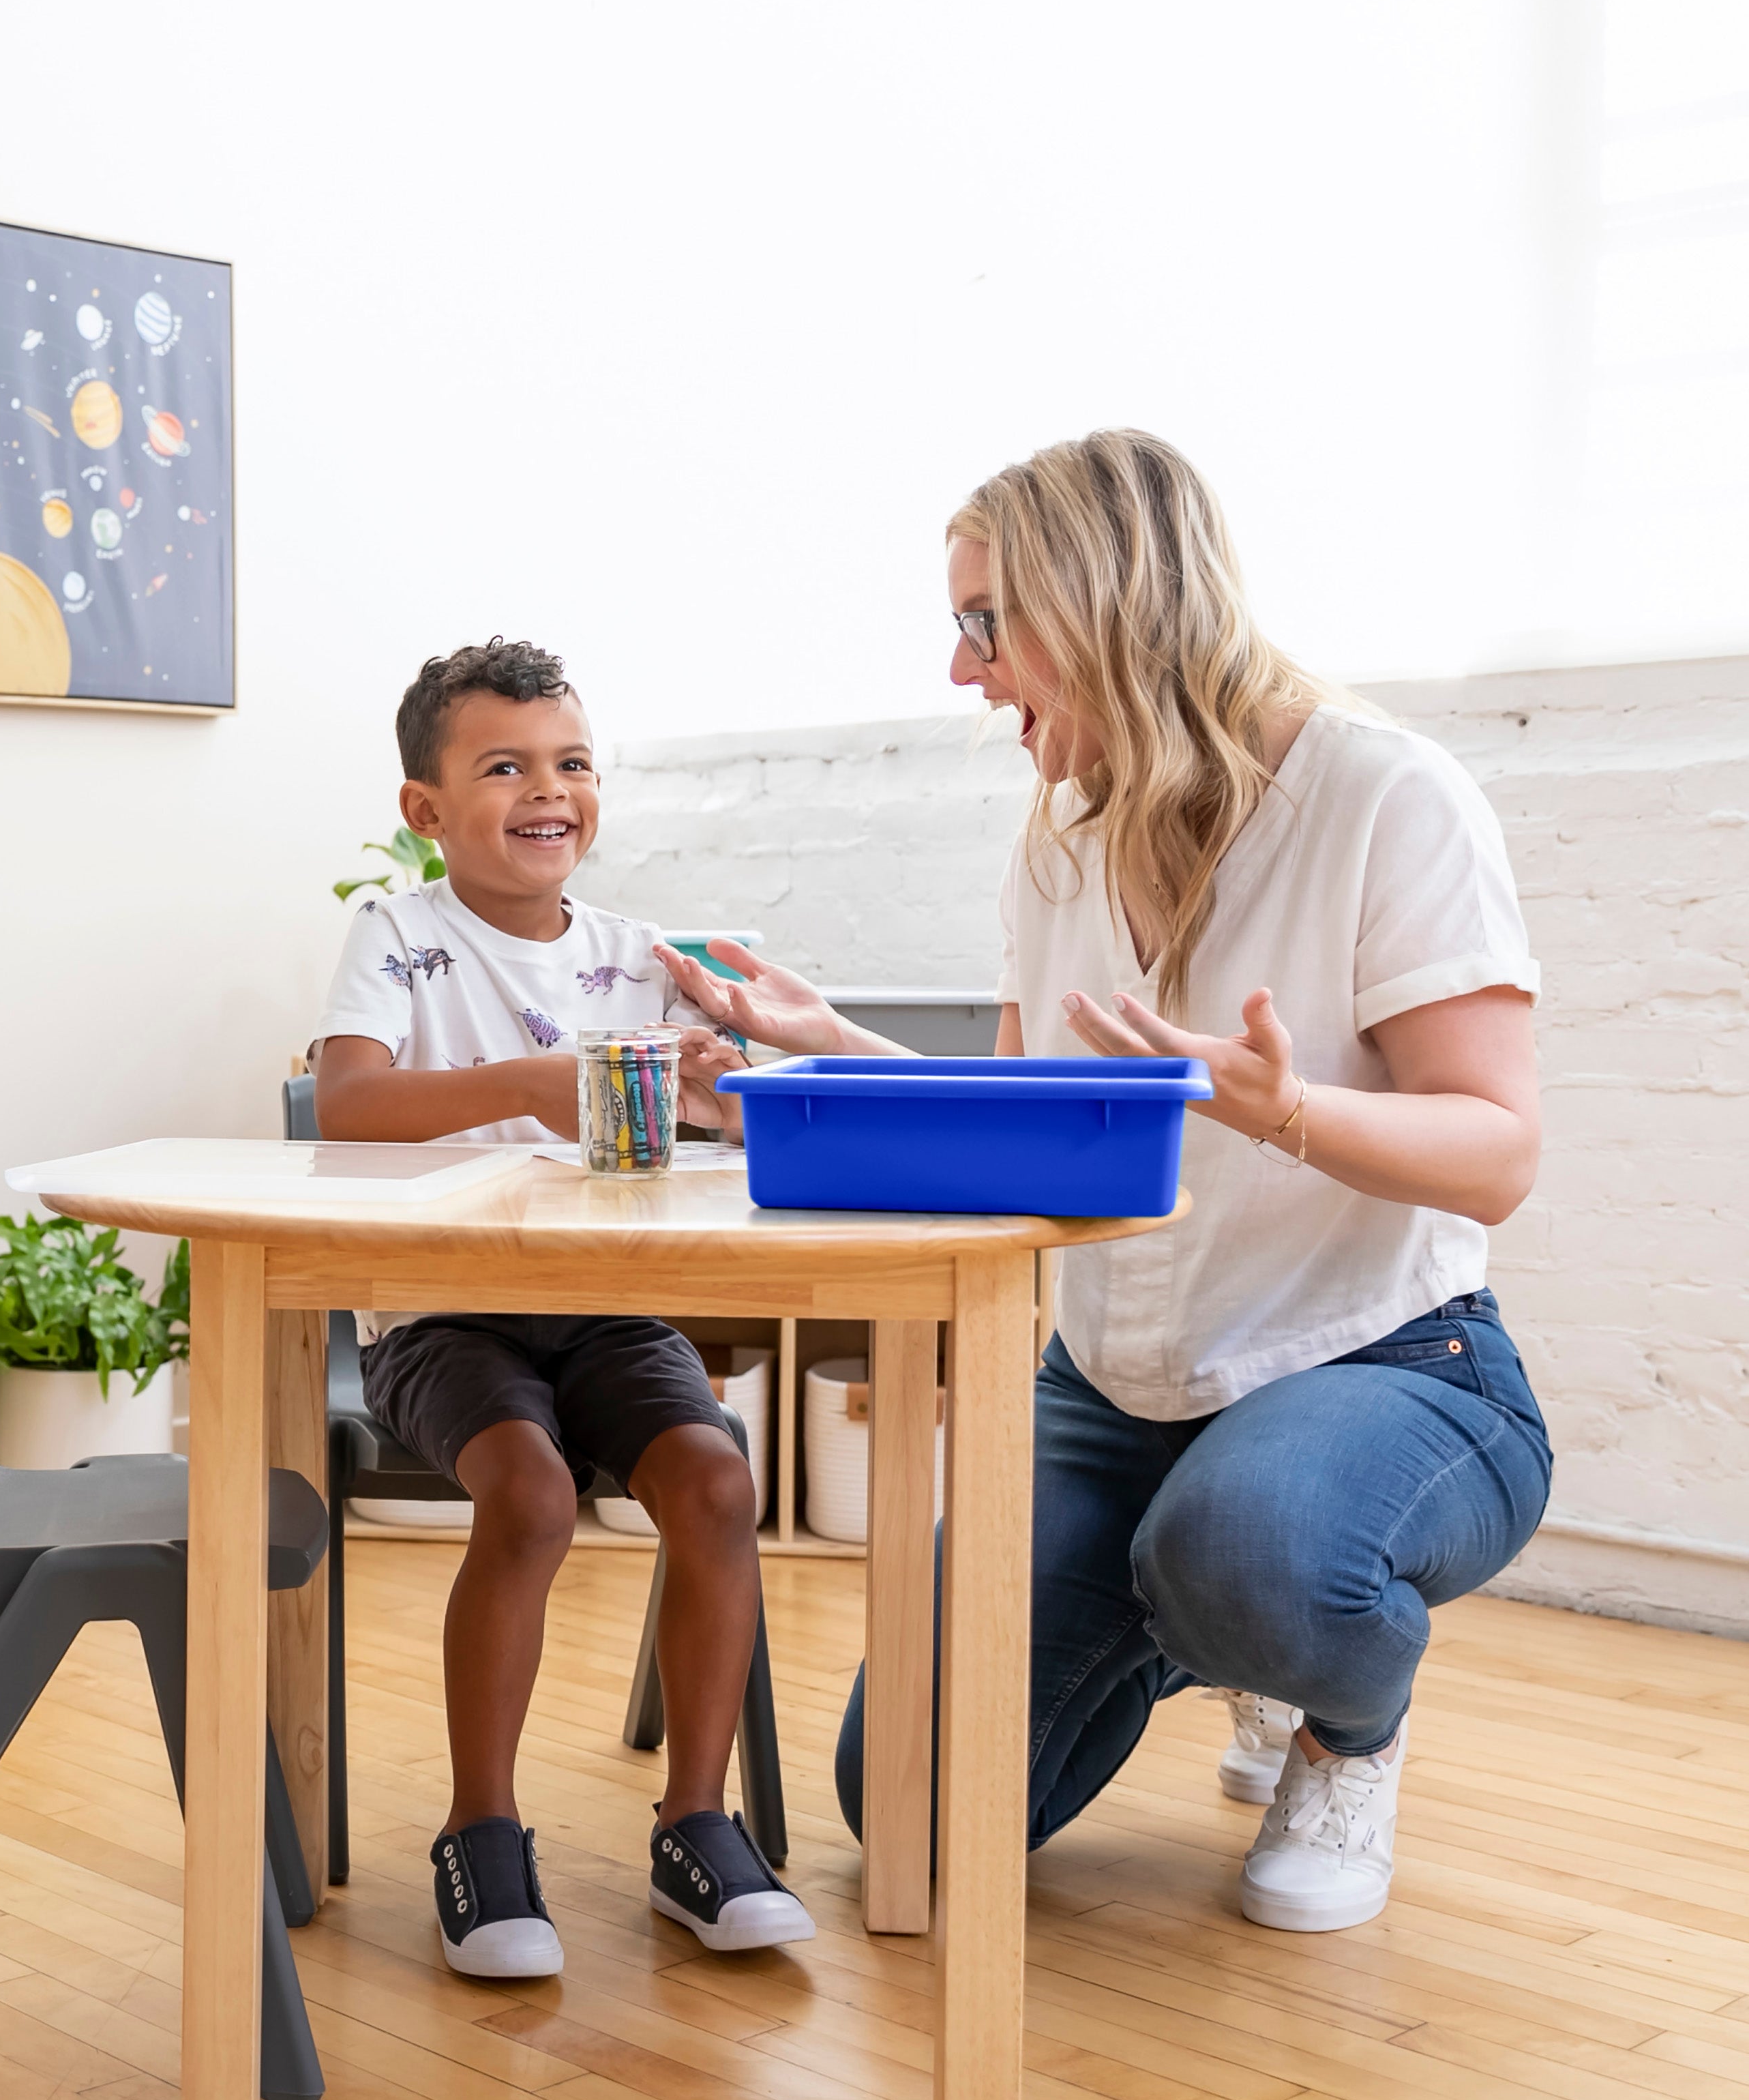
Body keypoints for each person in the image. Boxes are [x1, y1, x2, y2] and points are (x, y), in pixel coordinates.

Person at [661, 430, 1551, 1932]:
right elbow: (1028, 1120)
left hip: (1381, 1362)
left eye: (981, 621)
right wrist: (828, 1051)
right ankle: (1211, 1608)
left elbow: (1498, 1153)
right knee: (908, 1817)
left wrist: (1287, 1112)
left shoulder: (1384, 795)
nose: (961, 671)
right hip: (1112, 1391)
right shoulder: (1059, 838)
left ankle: (1339, 1720)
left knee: (1251, 1548)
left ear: (1103, 602)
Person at [314, 636, 814, 1976]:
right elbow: (350, 1102)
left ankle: (695, 1821)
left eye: (570, 761)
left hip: (604, 1308)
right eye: (503, 766)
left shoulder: (637, 955)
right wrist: (523, 1085)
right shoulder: (397, 935)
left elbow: (692, 1127)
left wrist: (713, 1086)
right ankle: (480, 1829)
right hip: (437, 1311)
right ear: (425, 809)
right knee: (528, 1495)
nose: (549, 790)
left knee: (714, 1482)